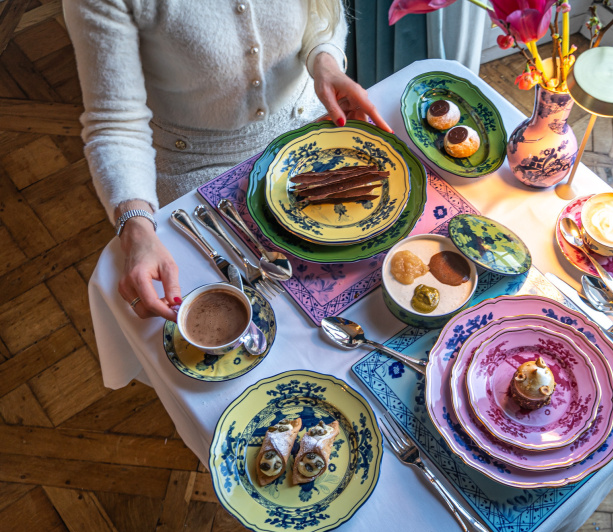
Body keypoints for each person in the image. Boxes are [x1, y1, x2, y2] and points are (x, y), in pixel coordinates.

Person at [64, 0, 390, 322]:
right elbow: (115, 125)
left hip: (312, 133)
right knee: (252, 324)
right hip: (199, 175)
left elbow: (323, 15)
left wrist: (325, 64)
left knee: (379, 285)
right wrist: (136, 230)